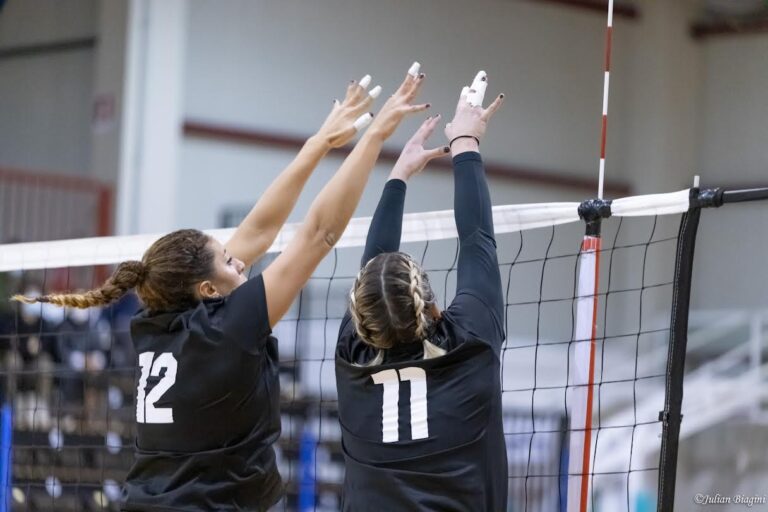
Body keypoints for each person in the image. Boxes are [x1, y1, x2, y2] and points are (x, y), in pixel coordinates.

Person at [13, 64, 430, 511]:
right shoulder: (226, 328)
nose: (241, 259)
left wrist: (321, 142)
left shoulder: (158, 322)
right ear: (208, 289)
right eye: (228, 260)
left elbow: (261, 229)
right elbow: (319, 234)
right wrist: (374, 137)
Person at [335, 74, 507, 511]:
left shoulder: (352, 359)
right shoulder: (472, 343)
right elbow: (477, 241)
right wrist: (462, 140)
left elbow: (476, 243)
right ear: (430, 304)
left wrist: (403, 172)